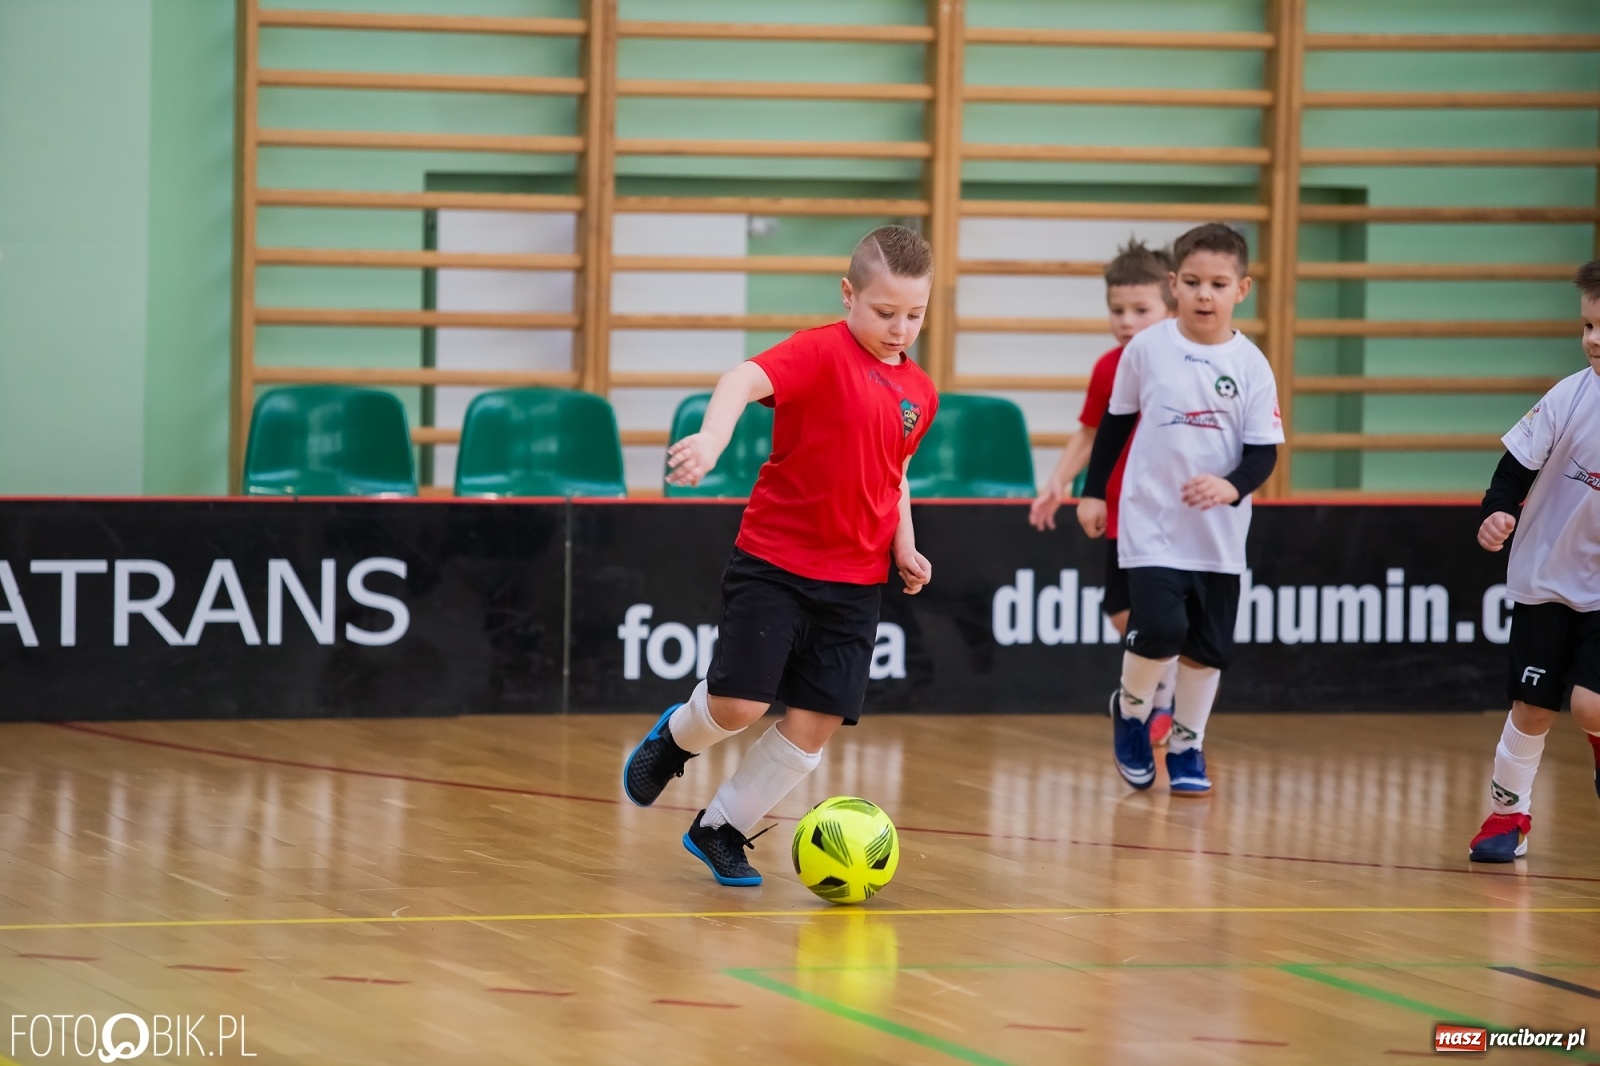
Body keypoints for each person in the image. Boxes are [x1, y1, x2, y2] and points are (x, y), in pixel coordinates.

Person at [620, 225, 939, 886]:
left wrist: (903, 544)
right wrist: (709, 443)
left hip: (855, 582)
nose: (900, 328)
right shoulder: (818, 353)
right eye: (885, 312)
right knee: (738, 706)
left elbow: (895, 471)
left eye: (915, 314)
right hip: (777, 564)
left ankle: (720, 828)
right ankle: (674, 740)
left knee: (815, 724)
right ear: (849, 295)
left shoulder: (920, 393)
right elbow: (740, 379)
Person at [1076, 222, 1282, 795]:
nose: (1204, 294)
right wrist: (1092, 492)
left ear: (1242, 289)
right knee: (1161, 628)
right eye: (1192, 282)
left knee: (1206, 650)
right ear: (1174, 284)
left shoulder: (1251, 365)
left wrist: (1230, 487)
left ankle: (1189, 746)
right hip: (1151, 525)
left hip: (1217, 535)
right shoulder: (1146, 349)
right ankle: (1134, 715)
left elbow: (1264, 454)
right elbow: (1114, 424)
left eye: (1218, 283)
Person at [1468, 258, 1600, 863]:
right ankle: (1507, 815)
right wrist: (1498, 512)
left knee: (1590, 703)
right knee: (1533, 705)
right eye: (1588, 326)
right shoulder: (1570, 398)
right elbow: (1513, 471)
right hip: (1547, 578)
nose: (1593, 339)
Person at [1030, 238, 1179, 741]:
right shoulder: (1108, 368)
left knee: (1164, 612)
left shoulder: (1186, 364)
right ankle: (1165, 684)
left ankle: (1162, 702)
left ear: (1171, 304)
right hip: (1122, 512)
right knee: (1121, 611)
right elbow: (1090, 432)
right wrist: (1059, 481)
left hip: (1175, 512)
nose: (1127, 321)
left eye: (1142, 309)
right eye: (1118, 310)